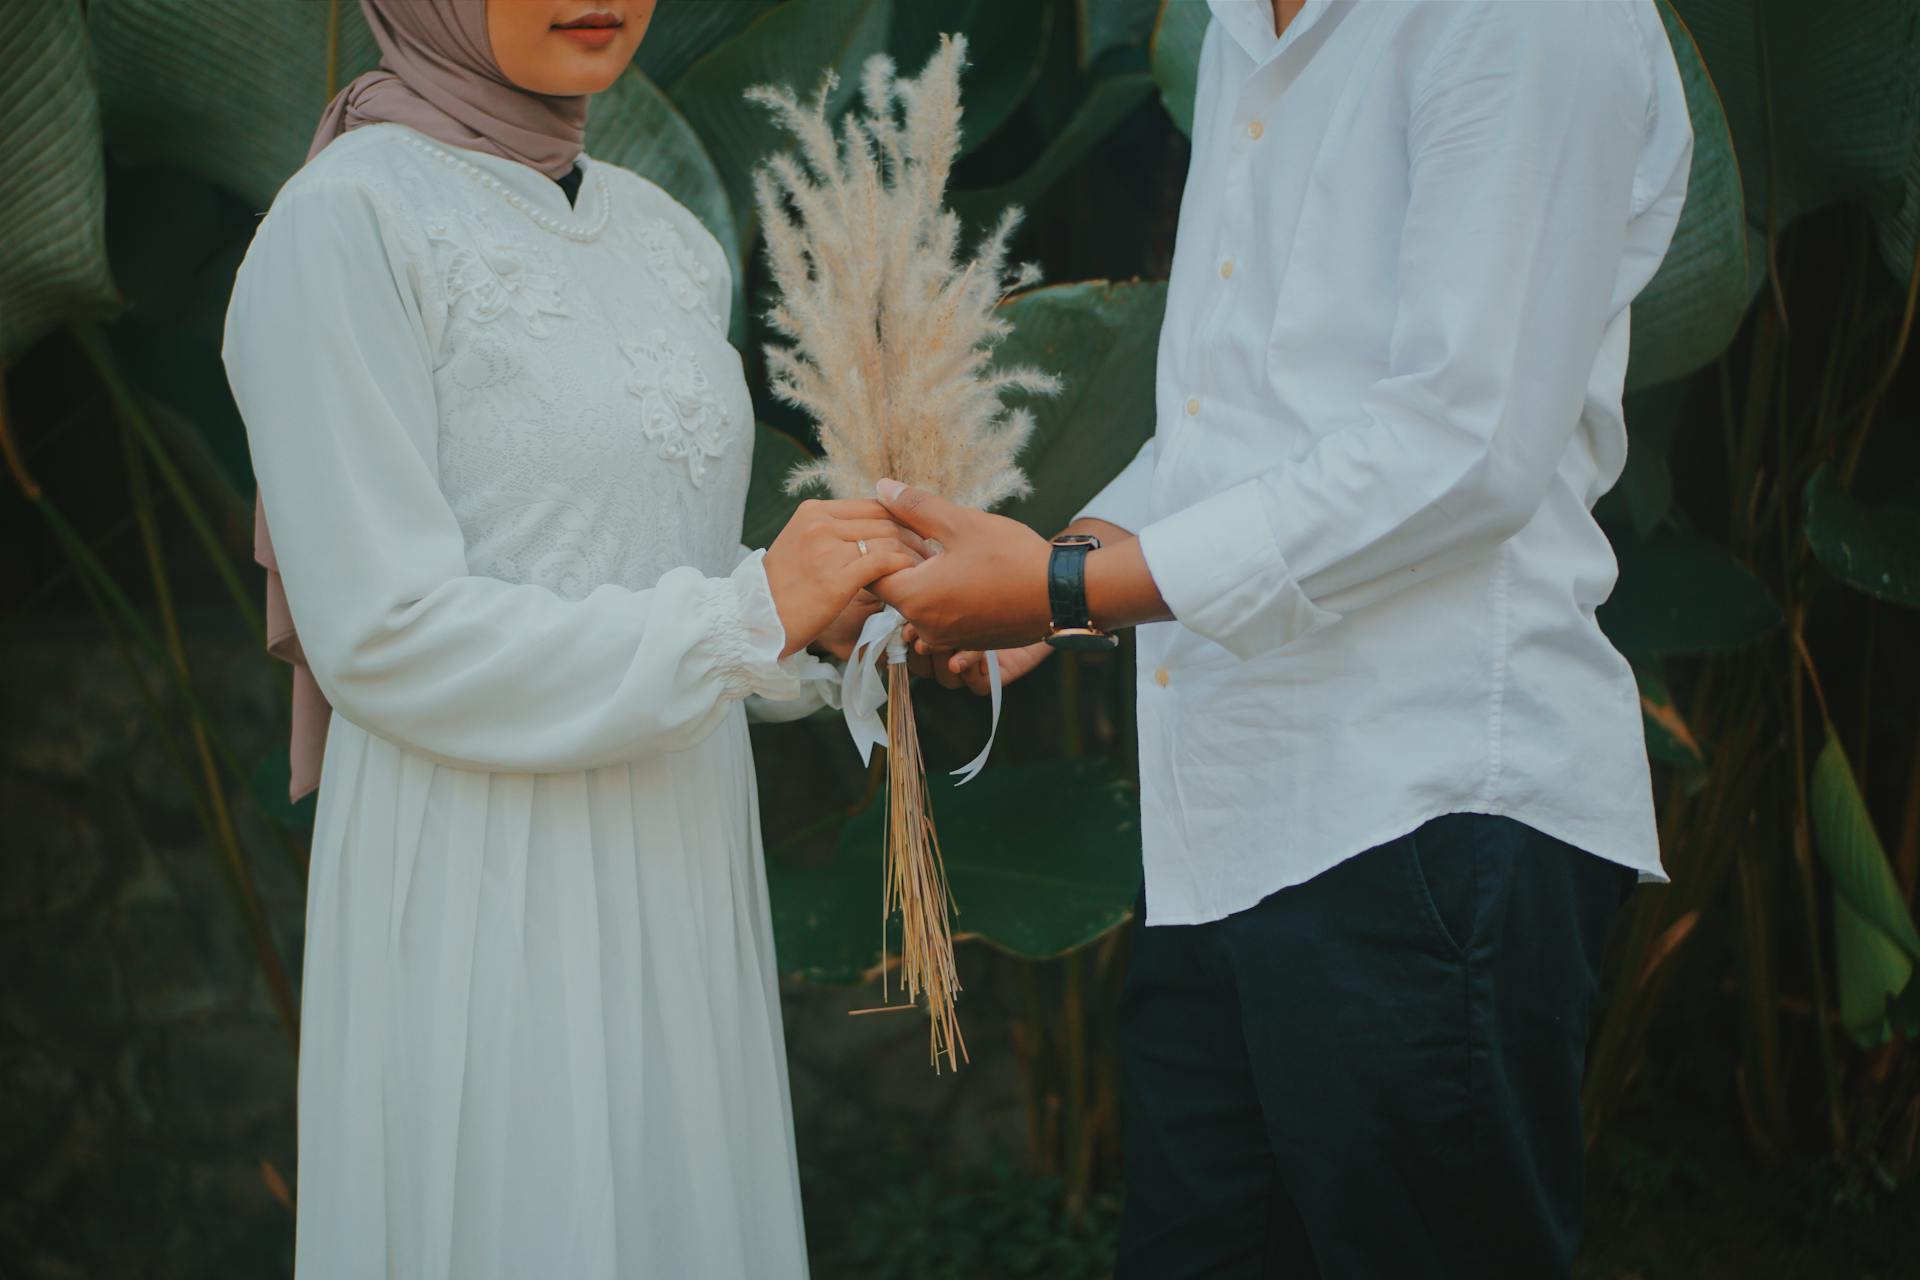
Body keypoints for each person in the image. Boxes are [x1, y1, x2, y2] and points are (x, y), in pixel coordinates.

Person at [876, 0, 1692, 1275]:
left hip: (1423, 800)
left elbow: (1462, 448)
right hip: (1230, 815)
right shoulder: (1241, 29)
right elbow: (1247, 419)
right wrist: (1056, 573)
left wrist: (1066, 592)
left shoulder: (1528, 17)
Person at [223, 2, 921, 1275]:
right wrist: (752, 606)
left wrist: (839, 625)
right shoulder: (345, 227)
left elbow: (683, 588)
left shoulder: (668, 240)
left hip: (680, 848)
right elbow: (387, 634)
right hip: (485, 874)